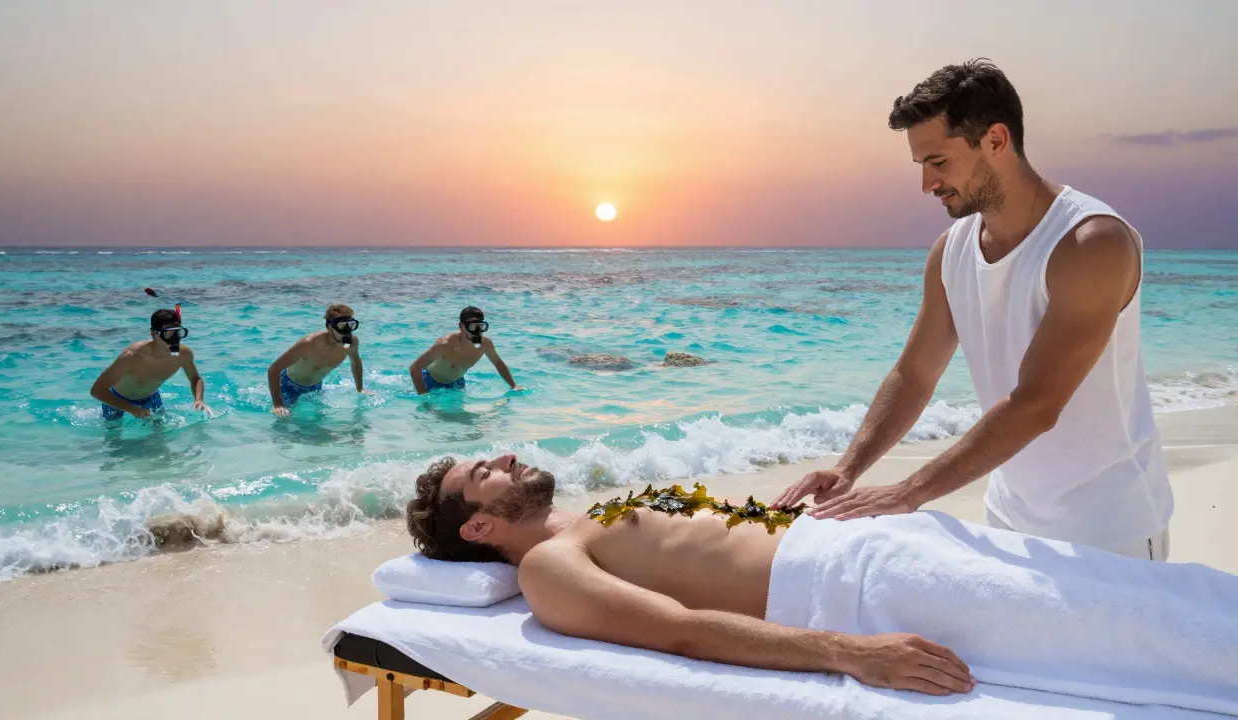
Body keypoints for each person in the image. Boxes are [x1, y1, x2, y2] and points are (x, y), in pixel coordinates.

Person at [403, 454, 1237, 703]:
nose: (505, 457)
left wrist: (793, 503)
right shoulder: (550, 568)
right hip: (856, 590)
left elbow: (711, 543)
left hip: (870, 543)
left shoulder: (584, 524)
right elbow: (675, 630)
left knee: (1119, 594)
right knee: (1109, 619)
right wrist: (846, 652)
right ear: (479, 527)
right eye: (484, 472)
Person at [771, 59, 1172, 560]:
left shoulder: (1090, 243)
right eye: (921, 166)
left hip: (1111, 529)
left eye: (938, 162)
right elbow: (914, 374)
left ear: (996, 141)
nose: (927, 184)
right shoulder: (952, 250)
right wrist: (849, 467)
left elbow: (1036, 404)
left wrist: (908, 493)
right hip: (1008, 518)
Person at [90, 308, 211, 420]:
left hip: (151, 398)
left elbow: (195, 378)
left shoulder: (183, 354)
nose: (174, 339)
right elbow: (97, 390)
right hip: (118, 399)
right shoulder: (132, 356)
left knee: (159, 439)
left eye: (178, 332)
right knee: (114, 439)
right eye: (168, 333)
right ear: (154, 333)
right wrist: (132, 410)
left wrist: (199, 399)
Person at [268, 303, 368, 417]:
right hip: (288, 386)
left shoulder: (351, 343)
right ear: (330, 327)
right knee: (286, 425)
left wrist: (360, 389)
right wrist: (278, 404)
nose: (348, 332)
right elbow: (274, 369)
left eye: (351, 325)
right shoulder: (308, 343)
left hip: (316, 387)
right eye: (342, 326)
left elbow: (355, 361)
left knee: (319, 424)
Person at [409, 306, 520, 395]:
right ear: (462, 326)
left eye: (480, 326)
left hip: (457, 383)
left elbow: (498, 364)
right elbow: (415, 368)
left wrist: (514, 386)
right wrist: (424, 396)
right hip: (431, 382)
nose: (477, 331)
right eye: (472, 327)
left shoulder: (486, 344)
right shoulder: (445, 344)